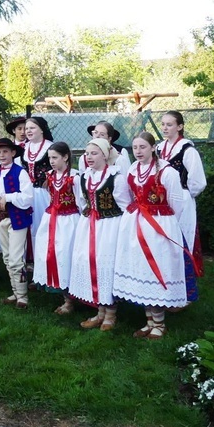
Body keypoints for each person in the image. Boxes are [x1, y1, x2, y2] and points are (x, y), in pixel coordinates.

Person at [113, 132, 188, 339]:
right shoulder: (132, 169)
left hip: (159, 226)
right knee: (142, 270)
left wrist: (165, 222)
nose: (138, 151)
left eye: (143, 147)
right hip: (136, 225)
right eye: (135, 147)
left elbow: (176, 203)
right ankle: (149, 321)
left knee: (157, 269)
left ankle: (159, 323)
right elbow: (127, 197)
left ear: (153, 147)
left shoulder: (167, 172)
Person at [69, 138, 130, 331]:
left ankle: (111, 314)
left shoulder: (116, 177)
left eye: (94, 153)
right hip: (89, 225)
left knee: (106, 266)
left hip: (110, 227)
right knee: (91, 264)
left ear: (105, 155)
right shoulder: (84, 177)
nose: (89, 157)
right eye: (87, 154)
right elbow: (81, 202)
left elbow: (125, 206)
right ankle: (100, 311)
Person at [156, 111, 206, 288]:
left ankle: (185, 287)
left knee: (182, 238)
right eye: (163, 124)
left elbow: (198, 181)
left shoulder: (187, 149)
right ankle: (167, 283)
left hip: (182, 200)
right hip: (161, 201)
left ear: (180, 126)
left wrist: (183, 194)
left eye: (169, 124)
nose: (165, 128)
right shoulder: (159, 148)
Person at [31, 142, 81, 314]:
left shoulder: (74, 177)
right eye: (50, 157)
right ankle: (65, 297)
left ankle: (73, 297)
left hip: (70, 221)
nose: (51, 161)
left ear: (65, 157)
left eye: (55, 157)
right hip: (52, 220)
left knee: (67, 255)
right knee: (53, 255)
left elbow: (81, 202)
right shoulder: (50, 176)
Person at [0, 138, 34, 309]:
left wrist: (9, 197)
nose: (2, 155)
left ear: (13, 153)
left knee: (15, 258)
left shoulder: (20, 172)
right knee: (7, 258)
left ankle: (23, 296)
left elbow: (28, 197)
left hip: (17, 219)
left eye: (5, 151)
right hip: (1, 218)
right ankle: (15, 291)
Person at [20, 117, 54, 251]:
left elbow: (59, 167)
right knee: (27, 226)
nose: (28, 131)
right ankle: (28, 260)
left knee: (42, 225)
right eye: (26, 128)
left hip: (44, 194)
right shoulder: (23, 148)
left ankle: (44, 258)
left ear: (42, 129)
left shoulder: (50, 147)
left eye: (32, 128)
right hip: (26, 193)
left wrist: (50, 178)